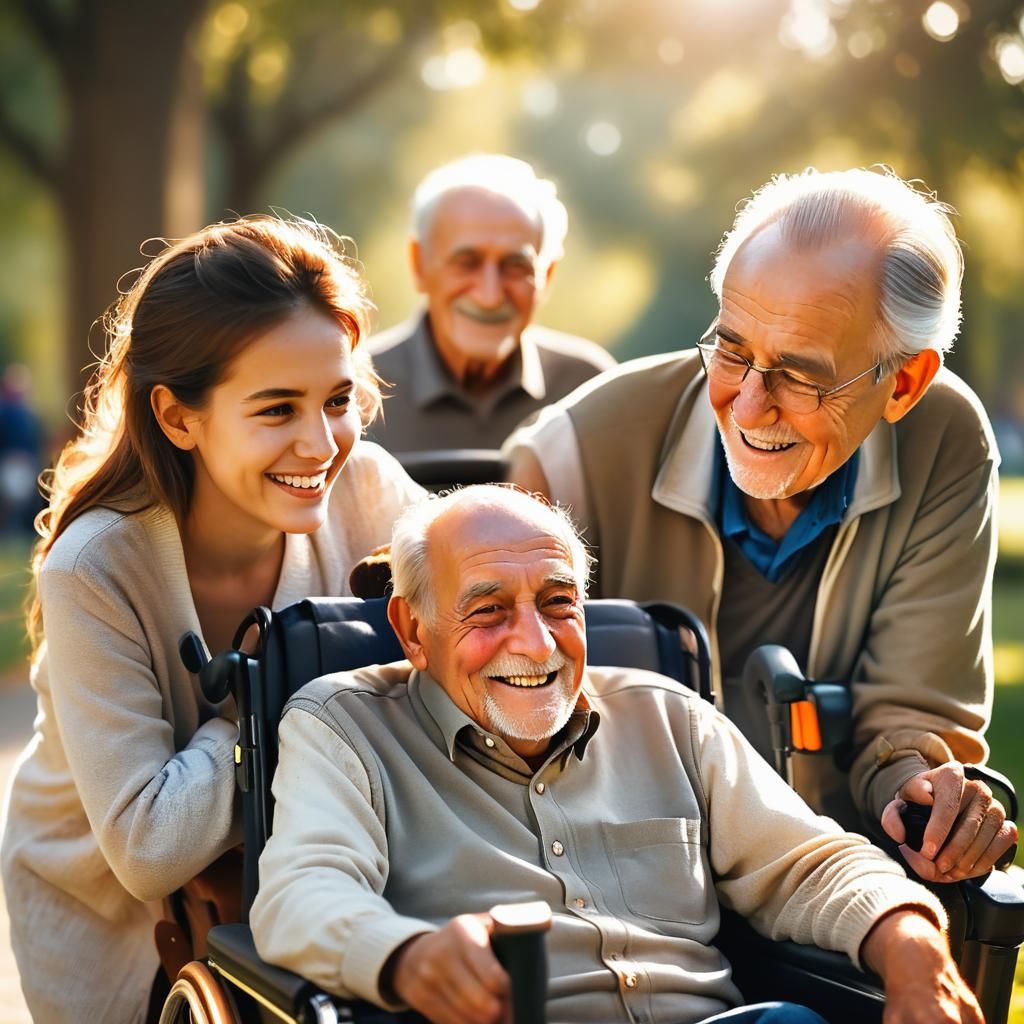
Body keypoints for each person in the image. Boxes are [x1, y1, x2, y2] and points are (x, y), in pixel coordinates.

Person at [251, 485, 981, 1024]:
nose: (535, 643)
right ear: (413, 630)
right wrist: (407, 955)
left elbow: (809, 864)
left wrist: (915, 948)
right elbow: (302, 894)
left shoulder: (666, 714)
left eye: (559, 602)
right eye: (489, 609)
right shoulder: (342, 723)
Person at [504, 167, 1017, 883]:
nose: (746, 408)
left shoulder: (946, 440)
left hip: (830, 871)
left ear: (902, 382)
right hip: (613, 874)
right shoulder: (569, 459)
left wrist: (917, 786)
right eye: (733, 349)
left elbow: (912, 713)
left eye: (801, 376)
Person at [0, 216, 425, 1024]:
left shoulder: (367, 489)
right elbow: (150, 844)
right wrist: (296, 681)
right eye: (276, 410)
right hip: (113, 920)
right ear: (177, 417)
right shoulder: (94, 567)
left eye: (337, 400)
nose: (320, 443)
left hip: (303, 875)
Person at [365, 154, 616, 455]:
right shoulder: (350, 392)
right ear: (420, 265)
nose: (490, 295)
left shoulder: (588, 389)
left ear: (546, 276)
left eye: (515, 266)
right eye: (466, 263)